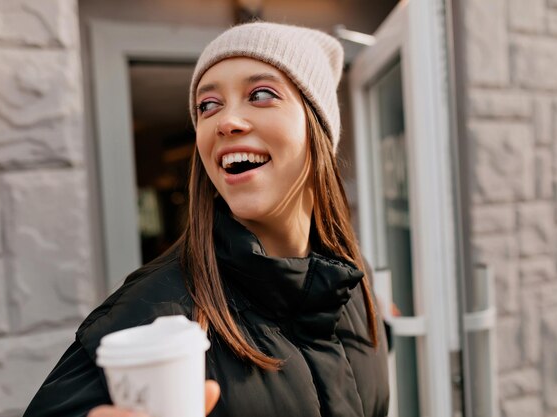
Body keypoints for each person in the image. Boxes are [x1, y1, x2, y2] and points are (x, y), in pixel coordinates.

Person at [24, 21, 389, 417]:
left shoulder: (353, 280)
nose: (225, 121)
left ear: (317, 129)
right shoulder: (151, 314)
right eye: (207, 105)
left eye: (261, 94)